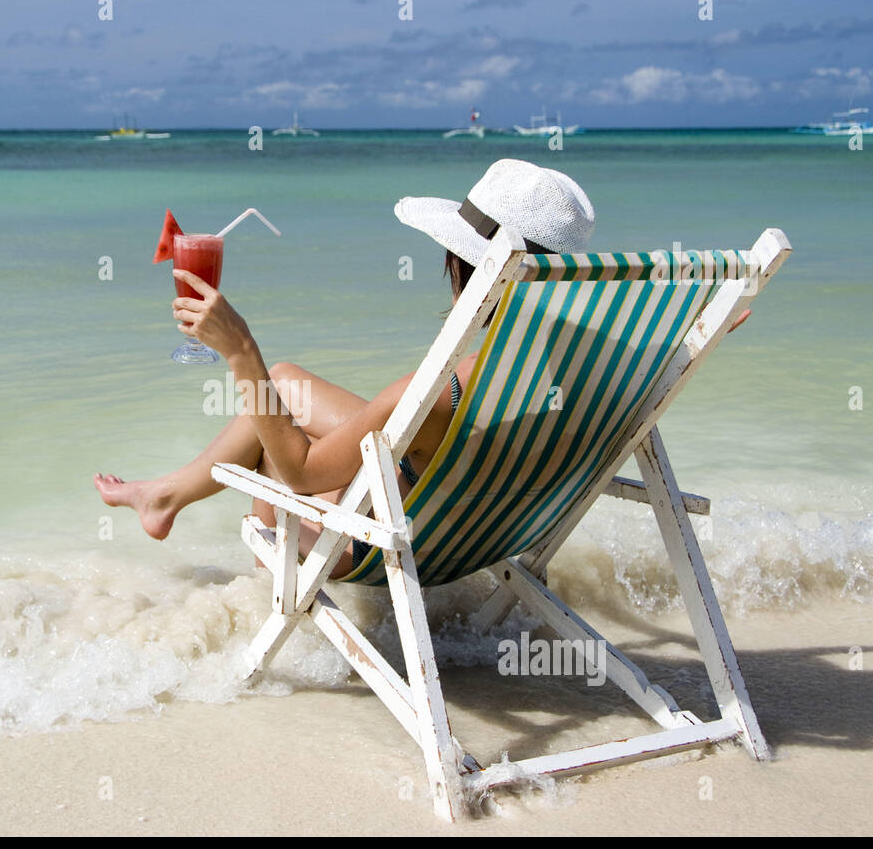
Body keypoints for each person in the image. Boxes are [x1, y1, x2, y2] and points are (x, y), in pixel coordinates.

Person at [95, 159, 596, 578]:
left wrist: (241, 349)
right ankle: (164, 496)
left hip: (399, 546)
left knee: (273, 455)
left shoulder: (446, 390)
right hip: (478, 529)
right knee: (286, 385)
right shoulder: (592, 371)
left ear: (469, 267)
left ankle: (265, 623)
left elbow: (301, 474)